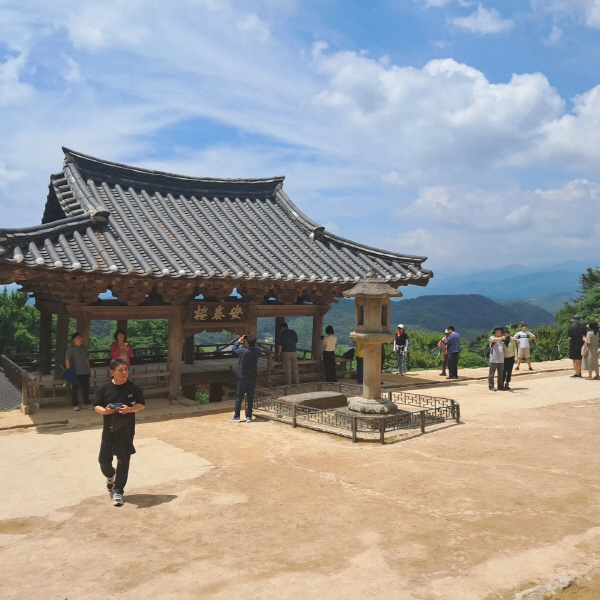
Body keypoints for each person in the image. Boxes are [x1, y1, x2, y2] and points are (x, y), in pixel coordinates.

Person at [94, 358, 145, 507]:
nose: (124, 373)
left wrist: (129, 409)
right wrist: (106, 411)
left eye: (126, 370)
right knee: (103, 460)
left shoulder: (133, 388)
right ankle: (110, 476)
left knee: (123, 461)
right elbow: (97, 406)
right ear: (112, 372)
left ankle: (118, 491)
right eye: (120, 370)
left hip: (126, 430)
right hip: (109, 430)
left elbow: (141, 405)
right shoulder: (104, 388)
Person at [230, 335, 262, 422]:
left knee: (239, 397)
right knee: (250, 398)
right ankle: (249, 417)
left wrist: (239, 341)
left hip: (243, 377)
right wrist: (252, 340)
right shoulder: (258, 351)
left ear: (247, 343)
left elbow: (234, 349)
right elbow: (257, 346)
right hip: (252, 377)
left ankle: (237, 416)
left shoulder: (243, 351)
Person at [65, 332, 92, 411]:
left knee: (86, 388)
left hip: (85, 371)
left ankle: (86, 403)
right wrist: (69, 371)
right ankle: (75, 404)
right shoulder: (71, 349)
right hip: (75, 372)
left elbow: (87, 359)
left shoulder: (84, 348)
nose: (80, 339)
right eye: (78, 338)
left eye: (81, 337)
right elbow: (67, 360)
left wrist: (89, 368)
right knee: (75, 389)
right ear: (74, 340)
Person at [487, 326, 505, 392]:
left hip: (501, 360)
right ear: (495, 331)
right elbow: (494, 340)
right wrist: (501, 338)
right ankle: (491, 386)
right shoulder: (492, 337)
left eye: (500, 330)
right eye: (497, 330)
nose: (499, 331)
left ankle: (500, 386)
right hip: (493, 359)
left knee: (500, 374)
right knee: (492, 374)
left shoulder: (502, 340)